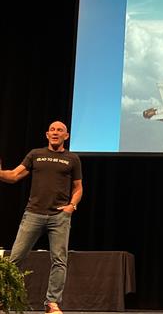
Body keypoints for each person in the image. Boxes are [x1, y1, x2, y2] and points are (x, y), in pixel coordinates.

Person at [0, 121, 83, 314]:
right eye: (52, 130)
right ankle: (3, 299)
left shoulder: (72, 159)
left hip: (59, 217)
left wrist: (71, 206)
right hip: (33, 214)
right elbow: (13, 176)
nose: (55, 133)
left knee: (59, 261)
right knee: (15, 259)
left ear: (66, 136)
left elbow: (78, 188)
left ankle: (51, 303)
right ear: (47, 134)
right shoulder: (35, 154)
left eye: (59, 130)